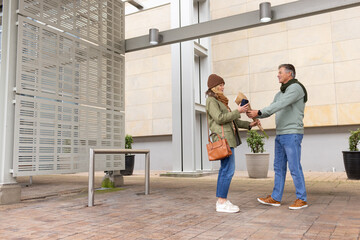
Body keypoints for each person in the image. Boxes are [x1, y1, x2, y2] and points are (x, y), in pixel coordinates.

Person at [247, 64, 308, 210]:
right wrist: (255, 113)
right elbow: (272, 108)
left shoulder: (296, 88)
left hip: (292, 133)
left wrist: (259, 111)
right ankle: (275, 198)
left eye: (280, 72)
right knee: (278, 167)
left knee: (294, 167)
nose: (278, 75)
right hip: (281, 134)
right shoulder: (279, 93)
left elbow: (281, 104)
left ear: (290, 74)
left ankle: (302, 198)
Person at [206, 73, 259, 213]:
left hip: (228, 139)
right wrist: (238, 111)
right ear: (214, 86)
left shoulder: (221, 101)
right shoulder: (211, 100)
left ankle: (222, 200)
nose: (223, 87)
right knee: (228, 170)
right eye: (220, 85)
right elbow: (219, 118)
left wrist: (250, 124)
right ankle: (222, 202)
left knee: (226, 169)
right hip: (223, 140)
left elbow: (233, 121)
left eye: (223, 85)